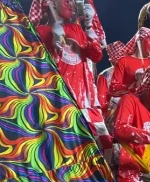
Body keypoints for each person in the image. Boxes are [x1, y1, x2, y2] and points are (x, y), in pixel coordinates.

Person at [31, 0, 111, 151]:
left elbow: (97, 55)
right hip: (59, 103)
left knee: (105, 145)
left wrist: (88, 26)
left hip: (87, 103)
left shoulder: (76, 28)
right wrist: (50, 38)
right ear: (52, 3)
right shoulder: (39, 32)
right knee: (68, 150)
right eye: (66, 0)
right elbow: (34, 68)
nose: (71, 3)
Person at [109, 27, 150, 98]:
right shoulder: (123, 61)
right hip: (128, 105)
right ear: (140, 40)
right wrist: (133, 86)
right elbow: (113, 89)